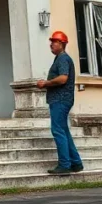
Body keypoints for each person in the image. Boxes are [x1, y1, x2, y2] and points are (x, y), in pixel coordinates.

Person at [36, 30, 83, 174]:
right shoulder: (61, 58)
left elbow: (63, 78)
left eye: (54, 42)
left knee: (57, 130)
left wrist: (46, 83)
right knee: (64, 131)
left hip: (60, 100)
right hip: (62, 99)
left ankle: (64, 165)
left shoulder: (63, 58)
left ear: (62, 44)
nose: (51, 45)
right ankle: (76, 163)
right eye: (51, 42)